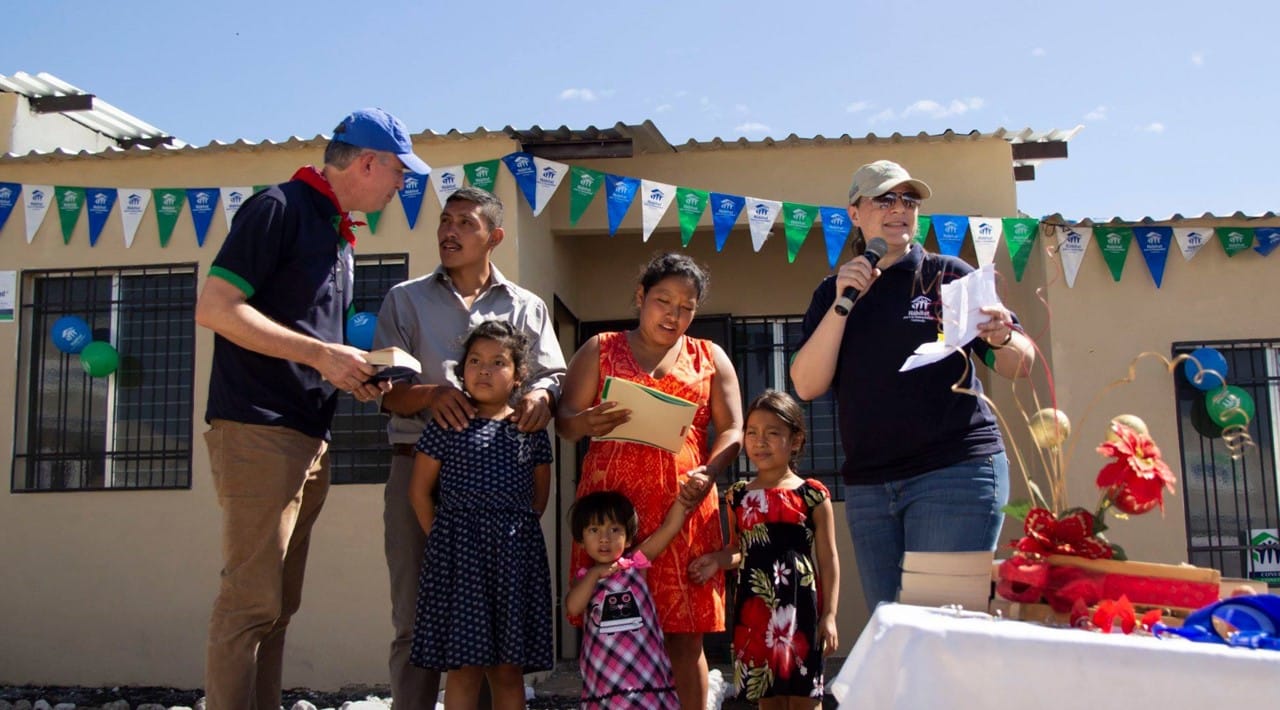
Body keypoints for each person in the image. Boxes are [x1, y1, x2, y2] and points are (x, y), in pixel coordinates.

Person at [195, 107, 429, 710]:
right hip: (257, 428)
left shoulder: (332, 229)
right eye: (399, 173)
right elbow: (217, 308)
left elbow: (302, 339)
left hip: (307, 435)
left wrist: (354, 373)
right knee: (250, 602)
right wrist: (323, 355)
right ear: (369, 161)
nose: (402, 185)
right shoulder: (278, 207)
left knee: (276, 608)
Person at [790, 159, 1035, 614]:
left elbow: (1021, 364)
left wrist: (1001, 336)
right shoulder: (832, 293)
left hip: (953, 473)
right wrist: (846, 303)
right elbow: (805, 385)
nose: (899, 208)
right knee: (896, 632)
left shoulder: (948, 274)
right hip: (871, 486)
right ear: (854, 213)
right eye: (885, 198)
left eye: (909, 200)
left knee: (944, 628)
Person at [373, 185, 565, 709]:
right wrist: (432, 394)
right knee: (417, 621)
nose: (449, 231)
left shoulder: (527, 307)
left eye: (465, 223)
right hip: (419, 471)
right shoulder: (404, 299)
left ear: (494, 237)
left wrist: (543, 398)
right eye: (444, 220)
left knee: (497, 637)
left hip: (502, 497)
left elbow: (553, 379)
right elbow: (385, 392)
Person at [557, 252, 743, 710]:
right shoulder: (601, 348)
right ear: (641, 297)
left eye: (686, 306)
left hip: (685, 507)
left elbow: (734, 429)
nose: (673, 314)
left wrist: (711, 470)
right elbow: (563, 420)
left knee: (684, 639)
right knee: (615, 629)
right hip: (613, 517)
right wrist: (587, 422)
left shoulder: (710, 356)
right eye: (663, 300)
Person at [407, 320, 553, 709]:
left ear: (519, 374)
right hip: (460, 561)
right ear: (461, 369)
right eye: (475, 361)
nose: (484, 370)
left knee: (508, 669)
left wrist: (512, 535)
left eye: (498, 362)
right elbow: (419, 491)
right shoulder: (447, 423)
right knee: (464, 667)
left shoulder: (529, 428)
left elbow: (539, 496)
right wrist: (443, 540)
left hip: (513, 561)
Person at [690, 390, 840, 709]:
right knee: (767, 701)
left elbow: (827, 560)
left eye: (773, 433)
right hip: (754, 613)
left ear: (796, 440)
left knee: (804, 699)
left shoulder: (812, 495)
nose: (760, 442)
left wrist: (829, 615)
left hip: (800, 612)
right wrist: (717, 560)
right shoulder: (737, 496)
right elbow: (737, 550)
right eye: (752, 433)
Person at [565, 479, 706, 709]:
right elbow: (573, 607)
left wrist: (684, 497)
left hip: (645, 678)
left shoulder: (634, 564)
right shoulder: (584, 578)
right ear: (581, 541)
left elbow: (669, 528)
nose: (604, 538)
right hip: (605, 682)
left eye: (615, 529)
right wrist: (594, 575)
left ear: (629, 538)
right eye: (594, 530)